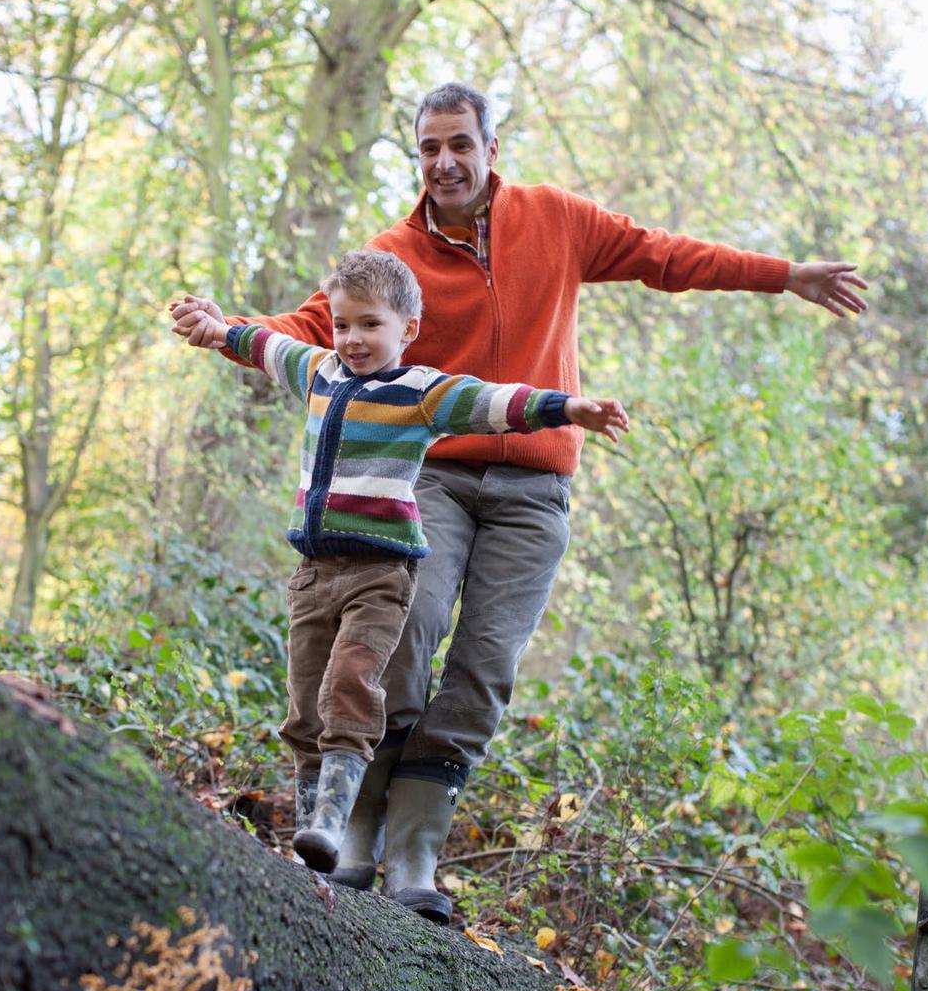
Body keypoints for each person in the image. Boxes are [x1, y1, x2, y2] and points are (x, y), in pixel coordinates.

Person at [172, 80, 868, 924]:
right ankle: (353, 833)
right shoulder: (396, 253)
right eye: (429, 148)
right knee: (402, 630)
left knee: (485, 667)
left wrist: (785, 274)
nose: (445, 162)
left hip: (536, 487)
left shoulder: (557, 219)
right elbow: (316, 324)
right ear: (417, 157)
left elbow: (664, 257)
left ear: (490, 149)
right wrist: (224, 326)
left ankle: (417, 849)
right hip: (433, 476)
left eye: (460, 144)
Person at [171, 248, 628, 896]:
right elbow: (265, 344)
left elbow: (490, 401)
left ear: (406, 329)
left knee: (353, 684)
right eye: (342, 324)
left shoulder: (420, 394)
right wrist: (220, 330)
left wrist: (566, 409)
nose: (353, 339)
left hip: (381, 574)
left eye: (370, 325)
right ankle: (313, 835)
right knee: (305, 703)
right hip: (314, 570)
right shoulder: (317, 371)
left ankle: (336, 821)